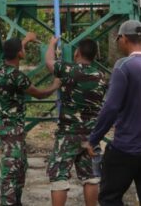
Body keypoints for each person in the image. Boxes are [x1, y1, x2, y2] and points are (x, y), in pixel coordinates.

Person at [83, 20, 141, 206]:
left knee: (109, 197)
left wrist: (94, 139)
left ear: (124, 39)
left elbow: (111, 107)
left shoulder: (123, 66)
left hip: (127, 147)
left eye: (118, 39)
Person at [0, 32, 60, 206]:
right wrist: (55, 85)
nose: (24, 49)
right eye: (22, 48)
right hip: (13, 129)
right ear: (19, 53)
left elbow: (11, 51)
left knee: (20, 165)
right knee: (11, 169)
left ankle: (15, 201)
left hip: (8, 126)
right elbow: (39, 94)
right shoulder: (18, 77)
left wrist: (26, 40)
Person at [44, 36, 108, 206]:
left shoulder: (69, 70)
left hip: (68, 133)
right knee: (91, 177)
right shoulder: (101, 76)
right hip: (91, 136)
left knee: (59, 177)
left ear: (77, 53)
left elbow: (49, 62)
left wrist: (51, 44)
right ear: (94, 56)